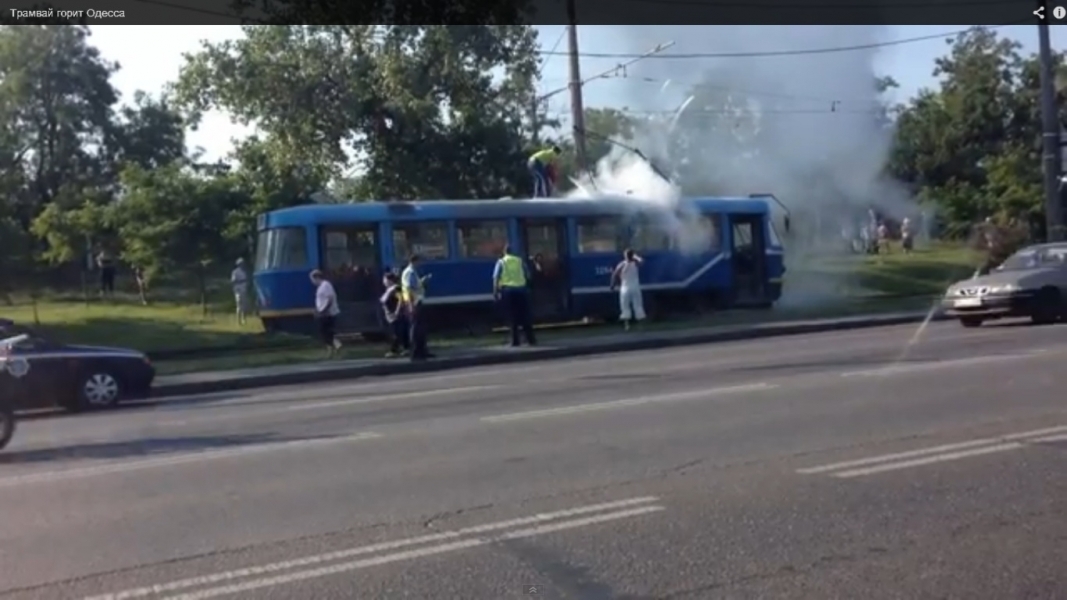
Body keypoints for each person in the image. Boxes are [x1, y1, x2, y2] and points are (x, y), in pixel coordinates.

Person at [493, 244, 536, 347]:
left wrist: (495, 292)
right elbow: (528, 275)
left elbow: (496, 278)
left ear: (504, 252)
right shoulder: (520, 261)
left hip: (508, 292)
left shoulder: (501, 262)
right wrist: (529, 288)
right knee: (525, 317)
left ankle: (515, 341)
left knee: (512, 318)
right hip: (521, 292)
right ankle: (531, 339)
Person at [400, 255, 433, 361]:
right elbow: (408, 289)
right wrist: (410, 305)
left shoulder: (413, 272)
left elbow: (415, 286)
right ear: (414, 261)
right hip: (413, 303)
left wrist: (422, 281)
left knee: (420, 328)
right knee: (415, 328)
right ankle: (415, 352)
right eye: (419, 261)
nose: (420, 263)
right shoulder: (409, 272)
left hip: (417, 301)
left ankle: (422, 351)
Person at [611, 249, 646, 331]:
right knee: (638, 305)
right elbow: (642, 261)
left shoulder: (622, 264)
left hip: (625, 288)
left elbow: (615, 274)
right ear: (632, 255)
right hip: (635, 287)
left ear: (625, 256)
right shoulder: (635, 263)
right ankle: (640, 325)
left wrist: (612, 285)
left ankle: (627, 325)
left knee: (625, 306)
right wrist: (636, 256)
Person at [310, 269, 342, 358]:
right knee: (325, 332)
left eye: (312, 279)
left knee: (326, 332)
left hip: (328, 313)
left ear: (316, 277)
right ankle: (334, 348)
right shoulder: (321, 287)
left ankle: (333, 348)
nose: (312, 282)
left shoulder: (325, 285)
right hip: (323, 312)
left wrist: (323, 310)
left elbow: (329, 299)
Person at [380, 272, 410, 358]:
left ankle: (394, 350)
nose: (383, 281)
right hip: (390, 315)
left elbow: (401, 299)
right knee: (398, 332)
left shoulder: (395, 289)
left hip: (395, 315)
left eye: (384, 279)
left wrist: (397, 311)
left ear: (390, 280)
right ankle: (405, 348)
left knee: (396, 333)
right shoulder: (389, 289)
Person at [231, 258, 250, 325]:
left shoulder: (244, 272)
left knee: (244, 305)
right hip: (238, 290)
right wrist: (241, 281)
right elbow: (233, 280)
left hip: (244, 290)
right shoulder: (235, 272)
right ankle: (238, 320)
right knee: (239, 305)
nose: (242, 265)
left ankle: (243, 319)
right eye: (241, 264)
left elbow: (247, 281)